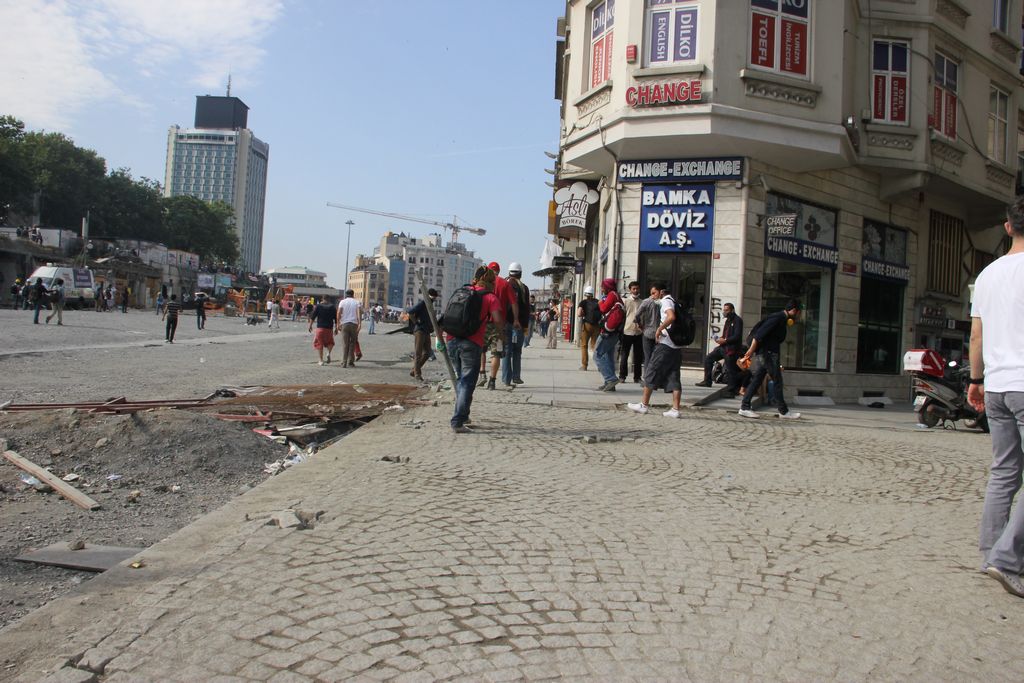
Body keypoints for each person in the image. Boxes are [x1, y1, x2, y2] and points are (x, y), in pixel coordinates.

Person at [969, 196, 1024, 598]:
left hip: (999, 383)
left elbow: (976, 335)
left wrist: (976, 379)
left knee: (1004, 471)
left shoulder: (987, 274)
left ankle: (991, 554)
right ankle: (1007, 558)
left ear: (1008, 227)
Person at [447, 266, 503, 433]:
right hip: (471, 344)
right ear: (491, 281)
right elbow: (498, 320)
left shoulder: (462, 290)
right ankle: (457, 421)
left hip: (452, 340)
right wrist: (502, 335)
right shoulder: (490, 297)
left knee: (461, 379)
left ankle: (463, 415)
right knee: (466, 382)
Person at [737, 300, 802, 419]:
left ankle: (744, 407)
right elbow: (758, 335)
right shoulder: (778, 318)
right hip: (767, 354)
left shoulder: (781, 319)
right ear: (793, 310)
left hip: (768, 353)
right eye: (799, 312)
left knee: (757, 379)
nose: (799, 316)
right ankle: (783, 411)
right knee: (777, 380)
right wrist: (750, 352)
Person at [627, 281, 683, 418]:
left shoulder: (666, 301)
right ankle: (675, 409)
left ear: (661, 292)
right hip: (676, 346)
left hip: (666, 344)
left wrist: (659, 328)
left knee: (651, 369)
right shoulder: (674, 301)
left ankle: (643, 405)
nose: (652, 296)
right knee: (674, 374)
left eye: (654, 293)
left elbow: (671, 317)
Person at [480, 261, 519, 390]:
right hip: (499, 324)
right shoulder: (505, 284)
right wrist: (516, 320)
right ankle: (492, 381)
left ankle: (482, 373)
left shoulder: (483, 283)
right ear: (499, 271)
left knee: (481, 350)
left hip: (483, 323)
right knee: (496, 353)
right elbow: (514, 303)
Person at [696, 302, 744, 396]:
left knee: (730, 369)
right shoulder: (728, 320)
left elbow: (737, 336)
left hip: (731, 349)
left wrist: (725, 340)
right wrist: (719, 339)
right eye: (724, 310)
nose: (724, 312)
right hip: (723, 347)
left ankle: (731, 390)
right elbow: (725, 334)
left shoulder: (737, 320)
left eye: (727, 310)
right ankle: (707, 381)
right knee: (708, 359)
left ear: (732, 310)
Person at [501, 262, 531, 386]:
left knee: (507, 351)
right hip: (518, 324)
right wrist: (524, 325)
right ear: (520, 273)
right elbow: (526, 309)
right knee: (517, 351)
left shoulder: (503, 285)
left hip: (505, 323)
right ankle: (516, 376)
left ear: (509, 272)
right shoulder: (524, 288)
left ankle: (506, 379)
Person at [594, 278, 624, 392]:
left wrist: (601, 302)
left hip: (607, 332)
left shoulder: (611, 295)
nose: (601, 289)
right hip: (614, 332)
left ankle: (611, 379)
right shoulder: (617, 295)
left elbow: (603, 308)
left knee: (597, 355)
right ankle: (609, 384)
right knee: (608, 357)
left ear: (607, 287)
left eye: (602, 287)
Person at [406, 289, 439, 380]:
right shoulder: (423, 303)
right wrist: (416, 322)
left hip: (426, 331)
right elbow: (410, 312)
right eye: (433, 298)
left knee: (427, 353)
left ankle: (414, 370)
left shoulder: (430, 305)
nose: (434, 300)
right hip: (420, 330)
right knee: (418, 353)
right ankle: (417, 374)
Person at [618, 281, 644, 384]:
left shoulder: (642, 302)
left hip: (639, 332)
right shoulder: (625, 301)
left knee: (638, 356)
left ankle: (637, 377)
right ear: (630, 290)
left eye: (637, 288)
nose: (636, 290)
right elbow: (621, 316)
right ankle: (622, 376)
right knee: (624, 355)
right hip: (627, 331)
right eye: (634, 289)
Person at [577, 285, 601, 370]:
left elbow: (579, 314)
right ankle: (599, 366)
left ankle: (584, 366)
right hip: (597, 326)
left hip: (587, 325)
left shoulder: (583, 302)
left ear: (585, 294)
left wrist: (584, 314)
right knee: (595, 346)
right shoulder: (598, 302)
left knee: (584, 345)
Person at [337, 289, 362, 367]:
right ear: (353, 294)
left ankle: (344, 362)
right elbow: (358, 313)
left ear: (346, 294)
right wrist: (360, 323)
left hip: (344, 324)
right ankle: (350, 361)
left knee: (345, 344)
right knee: (352, 344)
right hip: (354, 324)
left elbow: (339, 312)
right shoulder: (356, 302)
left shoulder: (342, 302)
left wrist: (338, 323)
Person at [308, 297, 337, 365]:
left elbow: (313, 317)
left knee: (319, 344)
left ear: (322, 299)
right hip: (329, 329)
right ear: (329, 300)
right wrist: (336, 327)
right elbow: (336, 318)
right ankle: (328, 353)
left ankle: (321, 360)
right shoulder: (332, 307)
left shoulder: (318, 306)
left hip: (320, 328)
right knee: (330, 343)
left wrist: (310, 325)